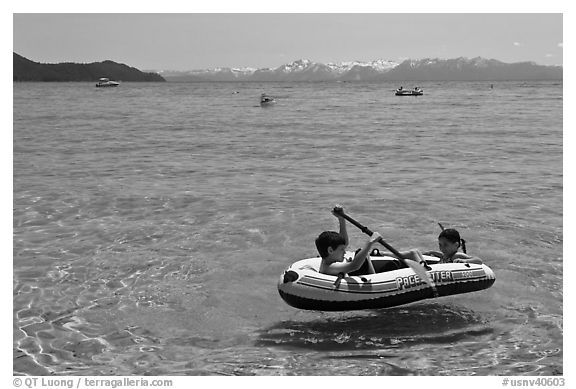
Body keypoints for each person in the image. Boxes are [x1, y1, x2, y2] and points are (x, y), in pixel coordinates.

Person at [316, 207, 380, 276]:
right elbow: (354, 266)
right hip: (356, 273)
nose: (345, 252)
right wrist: (370, 242)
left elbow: (344, 243)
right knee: (363, 254)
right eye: (342, 249)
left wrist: (341, 219)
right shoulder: (329, 267)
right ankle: (375, 278)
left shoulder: (328, 260)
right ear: (330, 250)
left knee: (361, 253)